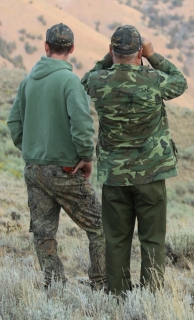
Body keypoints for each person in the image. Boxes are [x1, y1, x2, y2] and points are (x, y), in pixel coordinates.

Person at [81, 25, 187, 296]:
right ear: (139, 51)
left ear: (111, 50)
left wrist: (109, 59)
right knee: (152, 240)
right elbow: (179, 81)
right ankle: (150, 299)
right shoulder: (153, 79)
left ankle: (117, 297)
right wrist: (153, 56)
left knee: (116, 240)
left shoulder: (99, 81)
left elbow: (85, 79)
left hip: (115, 177)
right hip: (151, 175)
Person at [7, 23, 106, 290]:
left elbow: (14, 123)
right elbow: (82, 125)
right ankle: (100, 284)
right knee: (100, 226)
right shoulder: (70, 81)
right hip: (65, 171)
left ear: (46, 47)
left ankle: (55, 286)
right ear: (72, 49)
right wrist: (86, 157)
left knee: (43, 233)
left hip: (34, 169)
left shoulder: (28, 80)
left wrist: (33, 150)